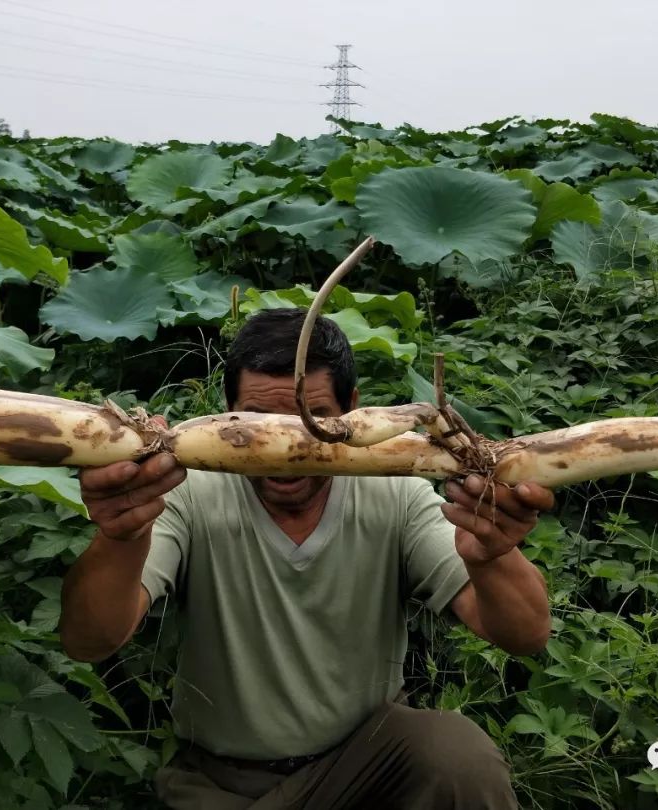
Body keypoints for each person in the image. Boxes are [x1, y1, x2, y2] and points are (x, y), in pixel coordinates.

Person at [61, 308, 555, 809]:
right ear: (224, 411)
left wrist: (492, 556)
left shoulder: (399, 495)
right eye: (256, 420)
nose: (284, 445)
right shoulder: (186, 494)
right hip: (224, 783)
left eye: (311, 420)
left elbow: (526, 635)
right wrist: (123, 537)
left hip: (367, 765)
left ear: (355, 411)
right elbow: (89, 640)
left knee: (457, 756)